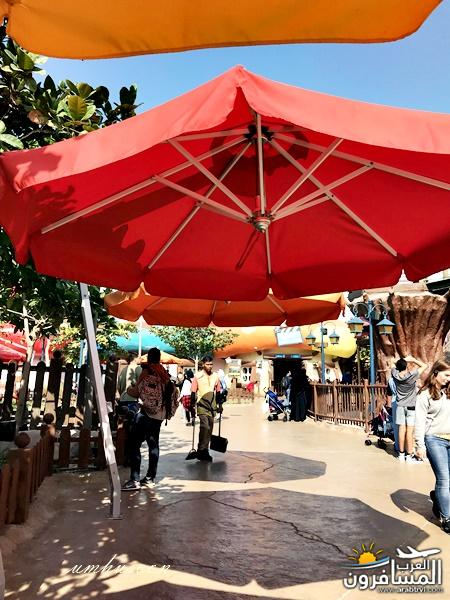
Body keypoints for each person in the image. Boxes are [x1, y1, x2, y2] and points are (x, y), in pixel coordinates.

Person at [121, 348, 178, 491]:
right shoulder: (164, 373)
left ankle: (134, 479)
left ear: (149, 358)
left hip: (146, 413)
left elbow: (136, 392)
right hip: (160, 415)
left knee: (134, 444)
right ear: (159, 358)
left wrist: (128, 389)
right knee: (153, 445)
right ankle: (150, 478)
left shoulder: (146, 371)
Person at [414, 359, 450, 534]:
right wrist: (419, 445)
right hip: (435, 440)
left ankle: (438, 499)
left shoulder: (448, 392)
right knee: (444, 479)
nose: (448, 379)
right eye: (446, 375)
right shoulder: (425, 395)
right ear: (435, 373)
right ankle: (446, 517)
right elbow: (419, 421)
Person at [392, 356, 427, 462]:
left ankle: (401, 454)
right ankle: (409, 455)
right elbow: (425, 366)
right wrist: (413, 359)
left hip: (400, 406)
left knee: (401, 429)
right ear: (406, 366)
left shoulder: (395, 374)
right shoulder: (412, 375)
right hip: (411, 406)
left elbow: (393, 363)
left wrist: (401, 362)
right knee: (410, 431)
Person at [190, 355, 222, 462]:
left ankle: (205, 450)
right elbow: (193, 392)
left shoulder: (215, 376)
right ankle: (201, 449)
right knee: (205, 426)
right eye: (207, 364)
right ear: (203, 364)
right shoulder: (197, 376)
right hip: (201, 405)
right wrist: (192, 406)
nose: (210, 366)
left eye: (211, 364)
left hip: (212, 407)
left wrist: (220, 405)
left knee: (210, 429)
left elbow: (218, 392)